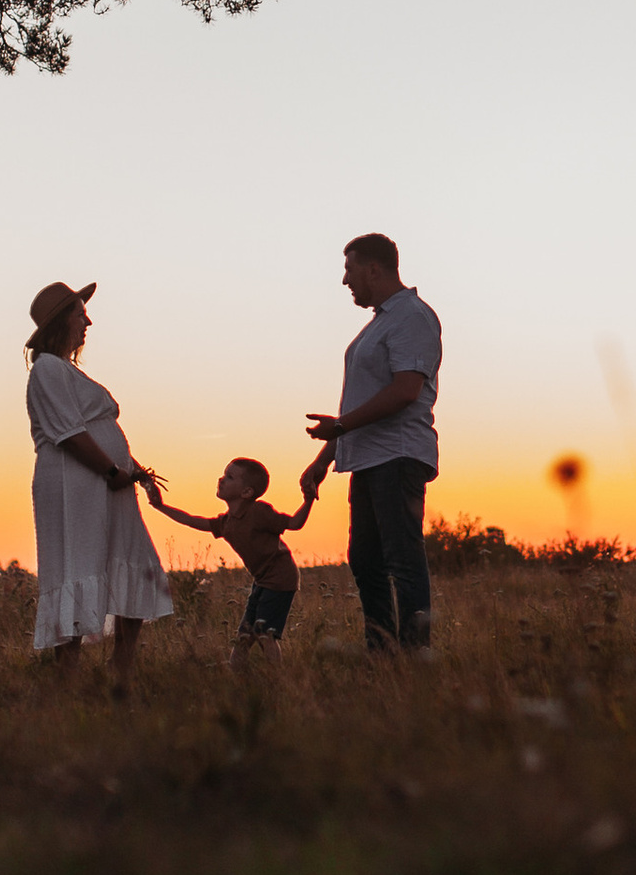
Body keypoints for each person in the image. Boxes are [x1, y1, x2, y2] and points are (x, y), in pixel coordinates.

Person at [23, 279, 173, 690]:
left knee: (135, 563)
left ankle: (120, 668)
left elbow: (95, 426)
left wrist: (134, 471)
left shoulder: (67, 371)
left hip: (108, 482)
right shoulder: (48, 369)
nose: (88, 320)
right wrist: (110, 472)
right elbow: (70, 433)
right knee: (77, 563)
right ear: (60, 322)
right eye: (79, 312)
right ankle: (66, 676)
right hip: (78, 484)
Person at [305, 233, 443, 654]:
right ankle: (381, 651)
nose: (345, 281)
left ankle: (416, 655)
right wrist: (324, 458)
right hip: (368, 459)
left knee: (401, 560)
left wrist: (342, 427)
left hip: (397, 456)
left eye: (349, 270)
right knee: (366, 562)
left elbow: (405, 390)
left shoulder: (411, 317)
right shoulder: (380, 323)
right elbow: (361, 400)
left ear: (373, 269)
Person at [143, 452, 331, 648]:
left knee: (265, 635)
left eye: (230, 477)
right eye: (224, 474)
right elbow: (191, 520)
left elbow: (294, 523)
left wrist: (308, 500)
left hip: (280, 580)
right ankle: (236, 673)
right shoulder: (226, 523)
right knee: (243, 638)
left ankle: (277, 675)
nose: (221, 479)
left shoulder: (259, 512)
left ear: (247, 492)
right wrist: (159, 506)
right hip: (262, 582)